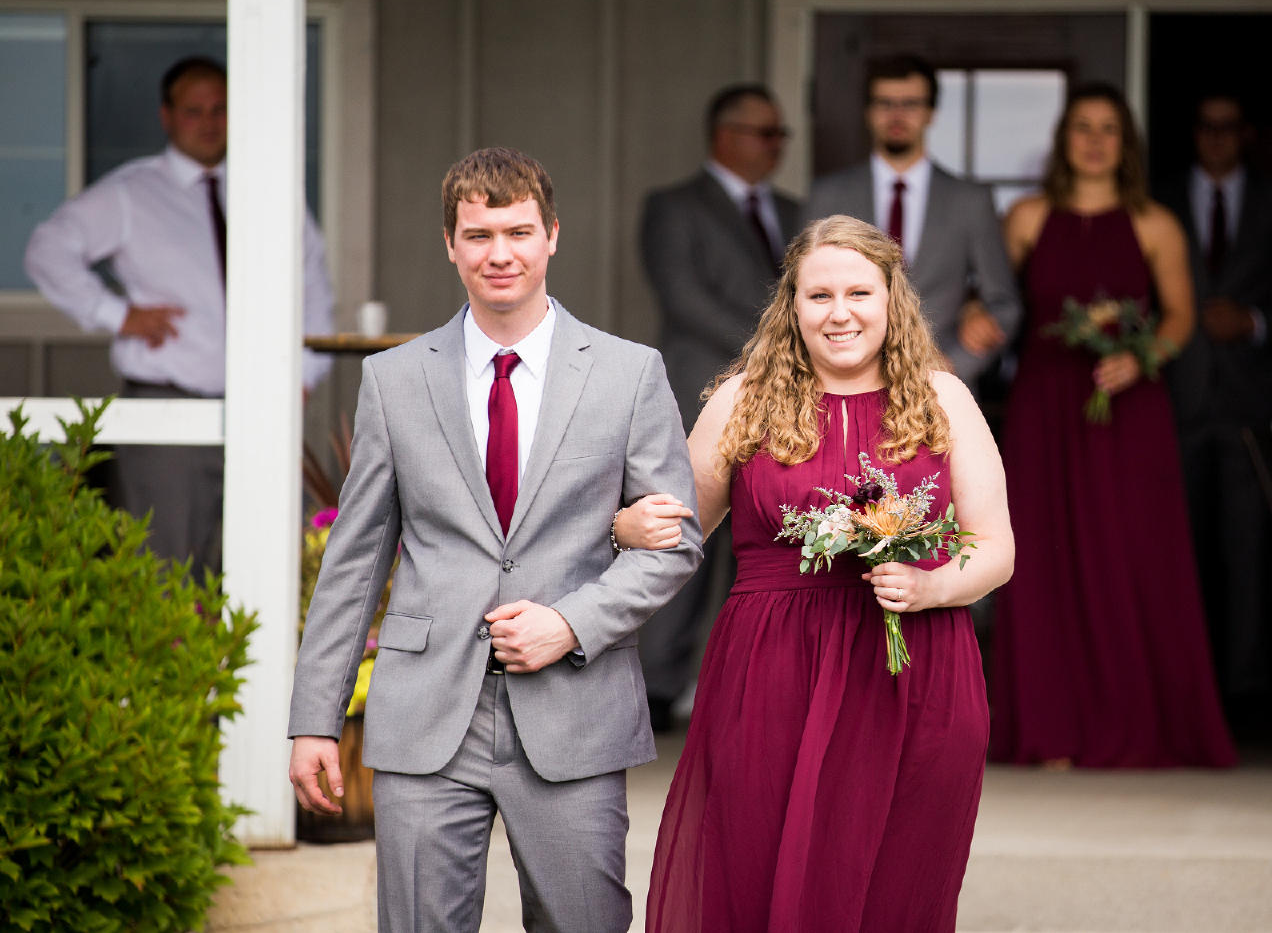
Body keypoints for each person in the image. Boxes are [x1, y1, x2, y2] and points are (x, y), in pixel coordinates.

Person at [288, 148, 703, 933]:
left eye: (518, 231)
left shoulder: (628, 373)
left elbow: (674, 544)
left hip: (574, 711)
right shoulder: (395, 379)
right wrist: (316, 716)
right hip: (425, 714)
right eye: (478, 235)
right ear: (451, 244)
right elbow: (353, 560)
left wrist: (571, 621)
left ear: (552, 235)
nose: (500, 253)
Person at [616, 216, 1014, 932]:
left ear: (893, 300)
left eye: (859, 292)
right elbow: (676, 532)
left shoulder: (943, 398)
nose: (840, 313)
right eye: (818, 294)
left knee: (898, 884)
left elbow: (994, 547)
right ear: (790, 306)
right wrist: (620, 525)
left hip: (914, 675)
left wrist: (928, 586)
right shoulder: (743, 401)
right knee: (763, 867)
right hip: (773, 674)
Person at [989, 83, 1236, 768]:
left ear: (1126, 144)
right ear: (1063, 139)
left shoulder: (1156, 223)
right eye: (1082, 127)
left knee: (1134, 558)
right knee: (1041, 559)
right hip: (1045, 407)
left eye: (1109, 129)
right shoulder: (1027, 217)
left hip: (1129, 410)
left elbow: (1183, 316)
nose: (1095, 140)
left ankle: (1139, 725)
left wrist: (1142, 356)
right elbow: (998, 306)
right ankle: (1049, 729)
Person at [24, 55, 335, 575]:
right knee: (166, 568)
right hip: (168, 411)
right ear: (167, 116)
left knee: (268, 570)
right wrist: (115, 313)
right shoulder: (132, 192)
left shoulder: (270, 193)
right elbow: (47, 249)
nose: (209, 122)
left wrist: (302, 379)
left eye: (221, 109)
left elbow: (314, 293)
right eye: (194, 111)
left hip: (262, 409)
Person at [636, 83, 801, 730]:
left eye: (780, 134)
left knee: (765, 540)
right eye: (766, 133)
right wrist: (784, 344)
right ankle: (654, 688)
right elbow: (685, 300)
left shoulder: (796, 209)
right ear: (723, 135)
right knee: (685, 535)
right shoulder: (673, 207)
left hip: (787, 401)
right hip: (700, 393)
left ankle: (751, 686)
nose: (777, 146)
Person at [1155, 92, 1272, 707]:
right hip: (1178, 398)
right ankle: (1185, 688)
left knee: (1248, 551)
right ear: (1194, 132)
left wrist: (1253, 319)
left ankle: (1245, 690)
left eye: (1229, 127)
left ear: (1246, 134)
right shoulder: (1162, 198)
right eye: (1206, 125)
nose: (1217, 137)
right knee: (1180, 550)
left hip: (1252, 401)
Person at [803, 53, 1022, 390]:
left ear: (931, 112)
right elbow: (801, 296)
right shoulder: (827, 196)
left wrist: (951, 367)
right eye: (885, 103)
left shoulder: (971, 201)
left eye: (911, 103)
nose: (897, 114)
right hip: (839, 385)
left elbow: (1004, 305)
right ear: (868, 111)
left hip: (942, 385)